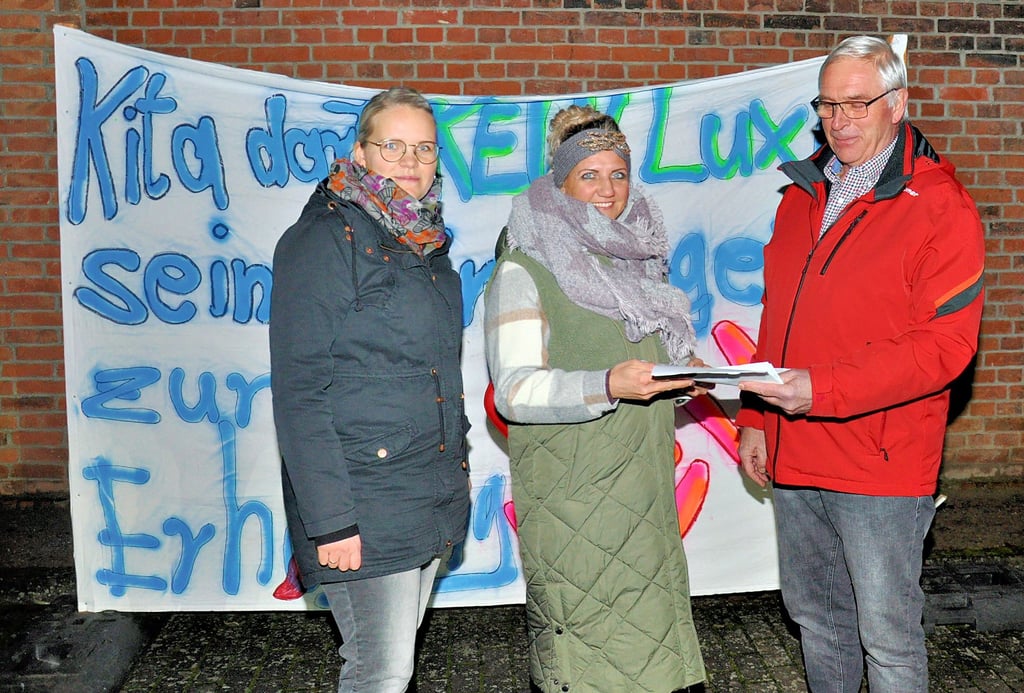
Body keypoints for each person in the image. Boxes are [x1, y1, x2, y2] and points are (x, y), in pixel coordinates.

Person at [736, 36, 985, 692]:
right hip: (796, 451)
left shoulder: (939, 205)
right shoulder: (800, 195)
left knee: (889, 637)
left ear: (897, 103)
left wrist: (822, 389)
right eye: (827, 104)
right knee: (818, 620)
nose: (839, 119)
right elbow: (778, 319)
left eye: (858, 103)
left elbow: (946, 347)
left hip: (880, 460)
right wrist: (758, 416)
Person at [484, 104, 707, 693]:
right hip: (575, 502)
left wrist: (689, 379)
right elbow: (514, 390)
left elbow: (644, 376)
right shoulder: (523, 268)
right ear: (560, 184)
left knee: (656, 665)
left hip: (643, 495)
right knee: (591, 671)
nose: (607, 190)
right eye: (589, 175)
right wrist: (607, 384)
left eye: (619, 174)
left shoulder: (636, 267)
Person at [269, 86, 470, 692]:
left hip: (421, 493)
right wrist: (330, 522)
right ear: (360, 153)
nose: (411, 161)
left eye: (425, 149)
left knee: (392, 666)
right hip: (360, 498)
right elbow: (299, 390)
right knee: (380, 672)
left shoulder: (424, 246)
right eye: (394, 146)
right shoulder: (326, 240)